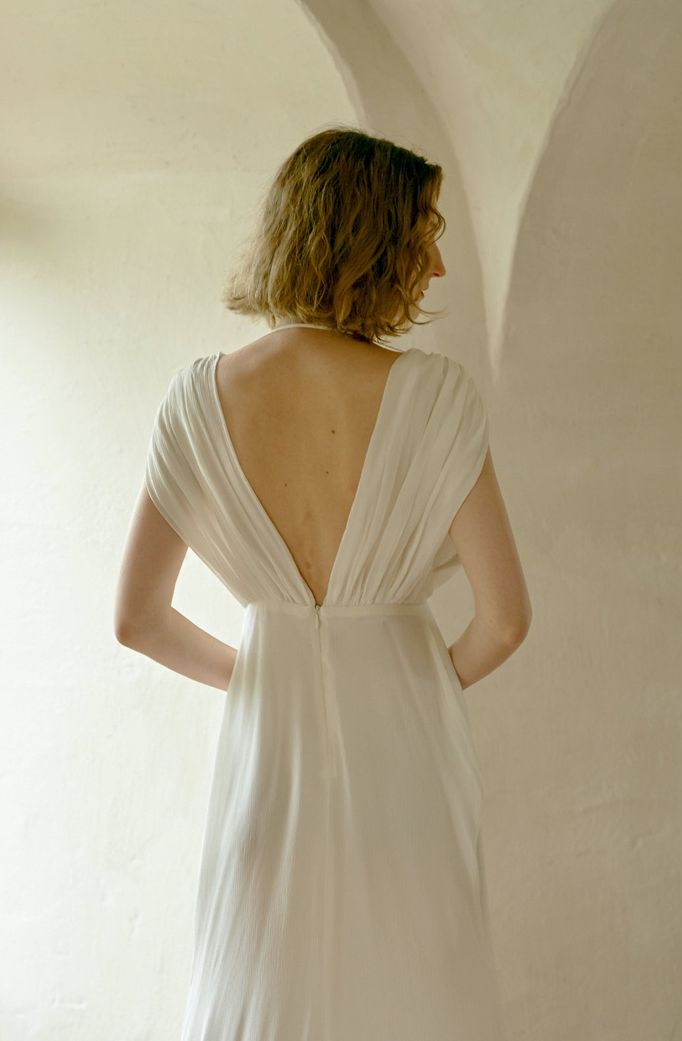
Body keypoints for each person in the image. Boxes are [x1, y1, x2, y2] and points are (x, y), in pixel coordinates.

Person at [114, 125, 531, 1041]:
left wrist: (278, 681)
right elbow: (502, 622)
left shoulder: (195, 400)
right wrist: (396, 686)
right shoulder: (435, 394)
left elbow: (136, 619)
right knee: (416, 979)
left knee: (266, 964)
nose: (439, 265)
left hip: (269, 739)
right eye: (425, 231)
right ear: (370, 240)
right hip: (407, 750)